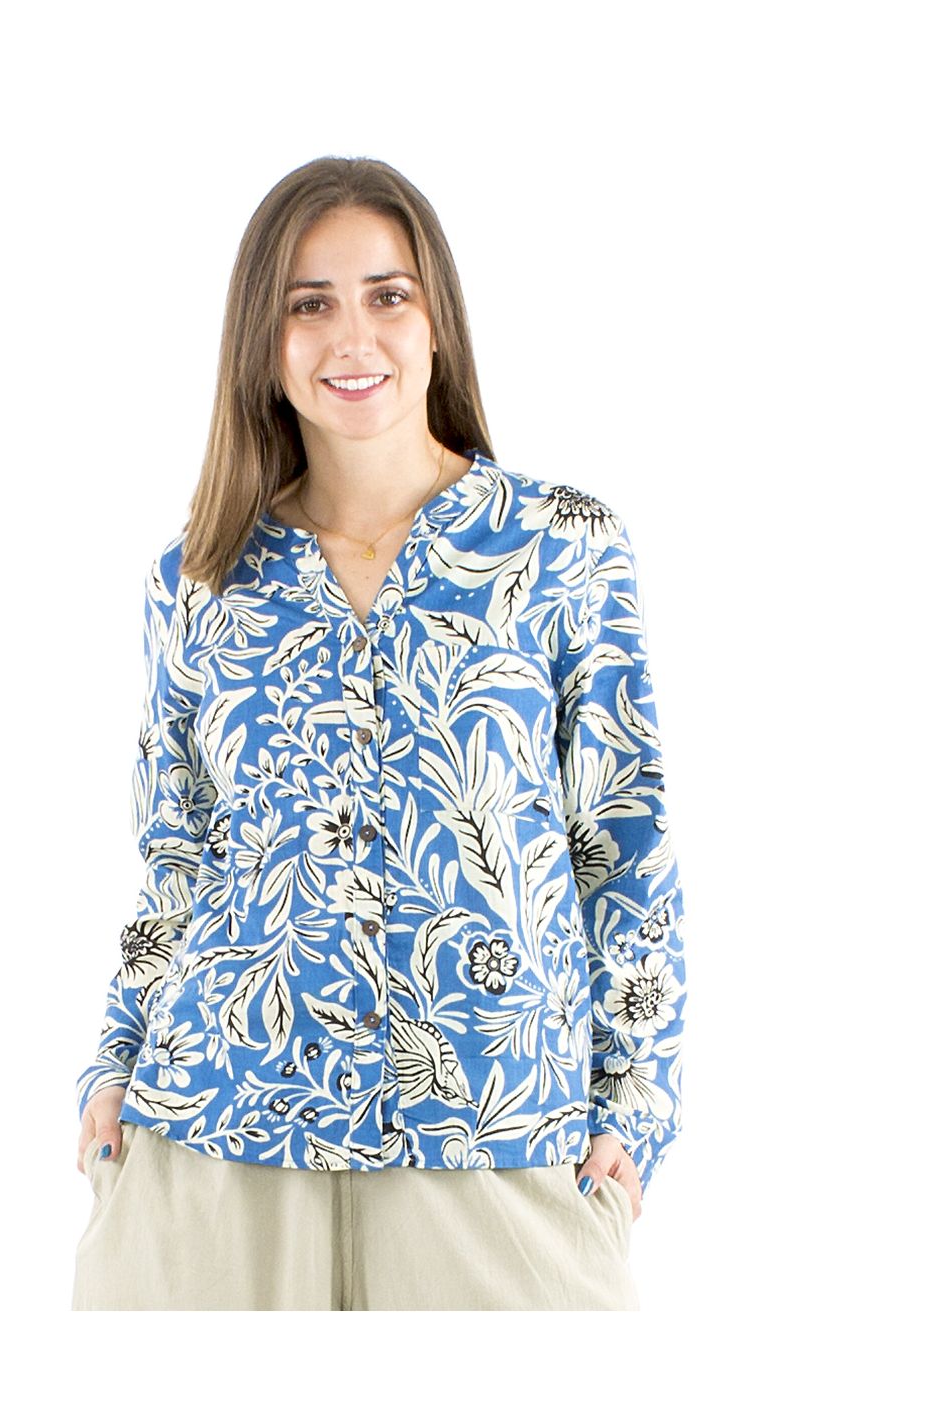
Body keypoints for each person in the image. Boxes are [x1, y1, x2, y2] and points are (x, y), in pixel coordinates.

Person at [71, 155, 687, 1311]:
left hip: (495, 1136)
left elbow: (623, 846)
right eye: (308, 304)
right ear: (263, 341)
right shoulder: (198, 579)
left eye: (386, 295)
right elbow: (177, 857)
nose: (350, 336)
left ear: (435, 318)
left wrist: (636, 1104)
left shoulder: (561, 547)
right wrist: (113, 1063)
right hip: (214, 1139)